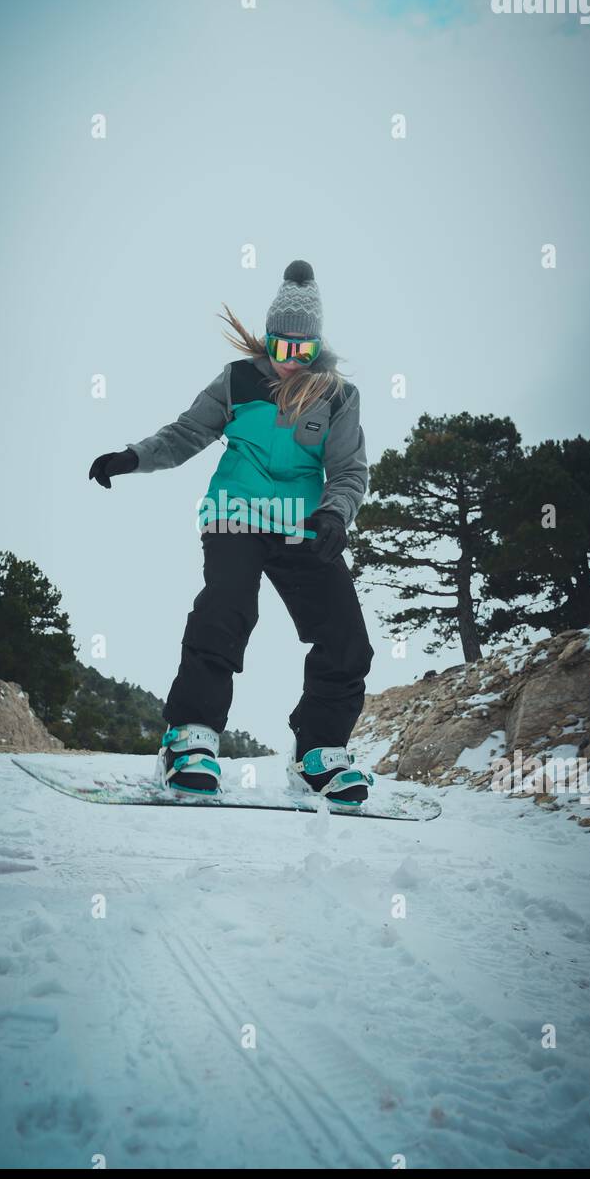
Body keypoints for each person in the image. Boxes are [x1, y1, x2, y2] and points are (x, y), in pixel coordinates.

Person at [89, 260, 374, 805]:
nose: (291, 362)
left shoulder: (339, 396)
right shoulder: (238, 380)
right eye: (280, 348)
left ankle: (319, 753)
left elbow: (348, 470)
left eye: (304, 351)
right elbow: (187, 432)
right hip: (235, 514)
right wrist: (132, 457)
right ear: (266, 341)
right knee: (227, 609)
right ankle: (189, 740)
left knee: (344, 635)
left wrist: (336, 515)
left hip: (305, 525)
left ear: (318, 347)